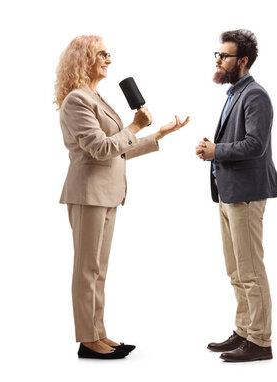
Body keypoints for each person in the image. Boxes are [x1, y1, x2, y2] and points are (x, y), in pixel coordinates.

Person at [54, 35, 189, 360]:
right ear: (83, 58)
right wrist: (134, 125)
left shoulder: (95, 96)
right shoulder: (77, 100)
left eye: (109, 54)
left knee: (98, 269)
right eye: (102, 54)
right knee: (87, 269)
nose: (109, 59)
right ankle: (88, 340)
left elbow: (119, 151)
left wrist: (157, 134)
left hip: (109, 193)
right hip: (88, 193)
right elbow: (100, 149)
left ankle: (99, 333)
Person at [196, 29, 277, 362]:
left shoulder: (255, 95)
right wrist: (215, 152)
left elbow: (255, 146)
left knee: (250, 270)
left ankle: (260, 341)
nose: (218, 60)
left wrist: (216, 150)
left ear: (241, 61)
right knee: (235, 270)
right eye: (216, 55)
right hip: (228, 193)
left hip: (245, 194)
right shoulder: (234, 93)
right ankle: (244, 331)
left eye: (224, 56)